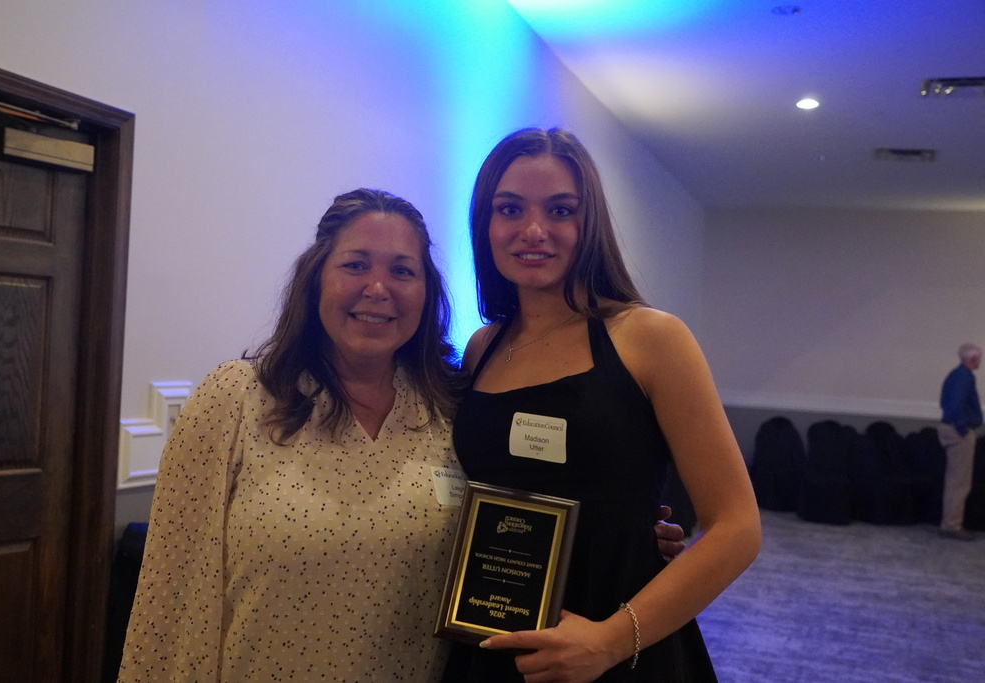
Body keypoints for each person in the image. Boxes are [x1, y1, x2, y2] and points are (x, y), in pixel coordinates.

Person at [118, 188, 686, 682]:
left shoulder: (456, 406)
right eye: (355, 264)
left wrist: (626, 533)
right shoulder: (236, 398)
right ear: (315, 277)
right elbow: (167, 598)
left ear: (427, 291)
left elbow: (515, 515)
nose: (378, 288)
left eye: (402, 270)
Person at [443, 128, 762, 682]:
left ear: (589, 225)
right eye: (510, 208)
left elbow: (738, 527)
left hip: (617, 650)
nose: (533, 230)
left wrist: (608, 643)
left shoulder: (650, 338)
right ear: (485, 224)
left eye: (561, 209)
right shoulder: (482, 347)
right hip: (493, 640)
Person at [937, 343, 983, 541]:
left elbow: (945, 402)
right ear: (972, 359)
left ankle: (951, 522)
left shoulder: (955, 375)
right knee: (959, 482)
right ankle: (952, 525)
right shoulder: (965, 377)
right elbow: (955, 405)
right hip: (959, 432)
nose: (980, 361)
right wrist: (963, 430)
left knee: (955, 479)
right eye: (979, 357)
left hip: (951, 428)